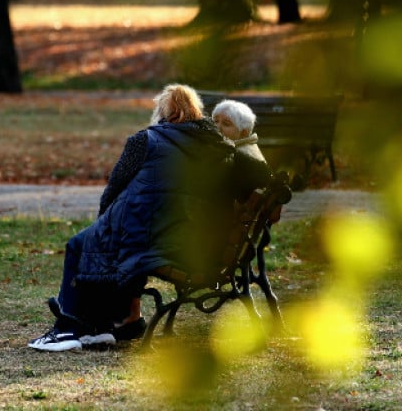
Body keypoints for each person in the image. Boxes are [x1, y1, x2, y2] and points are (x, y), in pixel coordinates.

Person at [29, 84, 271, 352]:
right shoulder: (219, 147)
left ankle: (68, 328)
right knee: (112, 244)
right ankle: (103, 327)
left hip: (152, 239)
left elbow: (113, 188)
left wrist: (103, 223)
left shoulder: (145, 140)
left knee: (83, 244)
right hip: (186, 240)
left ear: (166, 114)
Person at [211, 99, 267, 164]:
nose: (217, 127)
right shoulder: (228, 150)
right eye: (215, 121)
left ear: (243, 133)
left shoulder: (238, 157)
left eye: (226, 124)